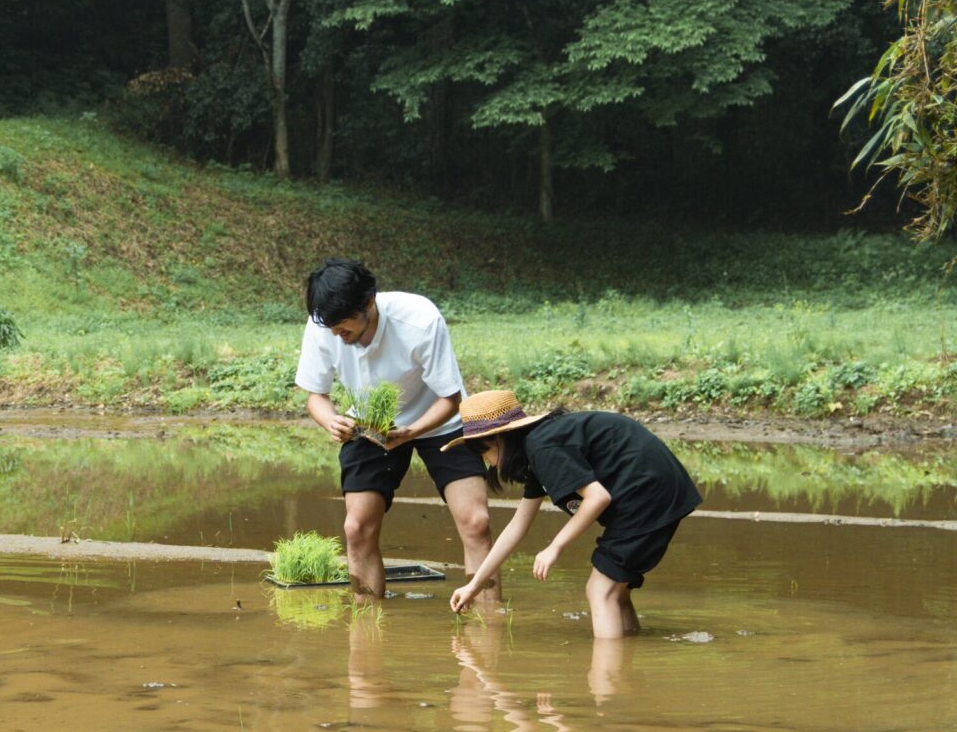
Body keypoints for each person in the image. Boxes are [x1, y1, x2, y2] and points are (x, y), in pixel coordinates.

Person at [297, 259, 493, 602]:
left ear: (369, 303)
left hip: (440, 419)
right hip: (371, 426)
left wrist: (412, 430)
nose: (336, 335)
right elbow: (316, 396)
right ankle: (366, 624)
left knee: (476, 521)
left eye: (343, 326)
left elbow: (451, 398)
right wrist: (330, 420)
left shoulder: (420, 319)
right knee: (357, 528)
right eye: (330, 327)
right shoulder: (322, 325)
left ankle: (487, 621)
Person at [445, 390, 701, 639]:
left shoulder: (543, 447)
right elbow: (517, 526)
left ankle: (607, 667)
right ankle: (625, 659)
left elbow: (598, 498)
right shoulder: (539, 449)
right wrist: (474, 585)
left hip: (646, 494)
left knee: (600, 591)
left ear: (500, 438)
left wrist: (555, 546)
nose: (488, 462)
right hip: (655, 491)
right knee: (615, 592)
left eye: (484, 452)